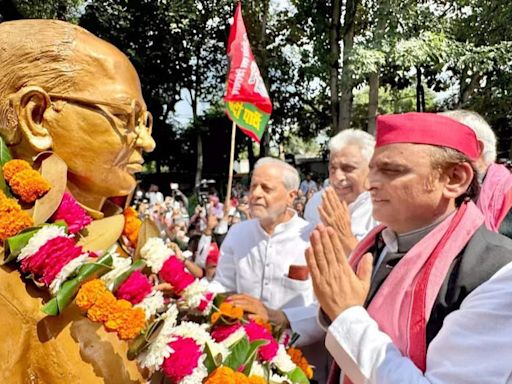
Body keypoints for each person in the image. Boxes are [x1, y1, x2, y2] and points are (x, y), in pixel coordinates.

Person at [0, 19, 155, 383]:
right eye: (124, 117)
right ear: (36, 116)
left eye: (144, 121)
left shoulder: (129, 241)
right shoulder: (12, 283)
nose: (146, 142)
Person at [306, 112, 512, 383]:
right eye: (372, 169)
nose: (369, 184)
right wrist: (335, 306)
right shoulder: (379, 245)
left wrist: (346, 315)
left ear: (454, 178)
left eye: (391, 170)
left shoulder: (497, 273)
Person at [210, 157, 327, 382]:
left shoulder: (313, 238)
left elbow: (326, 309)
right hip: (245, 359)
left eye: (266, 188)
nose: (255, 194)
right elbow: (223, 286)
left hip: (300, 364)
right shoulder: (238, 233)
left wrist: (281, 317)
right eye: (253, 186)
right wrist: (190, 293)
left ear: (291, 196)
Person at [305, 129, 378, 254]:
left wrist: (343, 235)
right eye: (333, 169)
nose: (337, 177)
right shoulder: (316, 202)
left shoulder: (382, 207)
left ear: (371, 169)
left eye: (348, 168)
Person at [441, 110, 512, 238]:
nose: (434, 156)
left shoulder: (507, 196)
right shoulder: (452, 194)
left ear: (476, 149)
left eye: (442, 147)